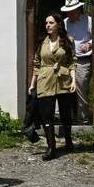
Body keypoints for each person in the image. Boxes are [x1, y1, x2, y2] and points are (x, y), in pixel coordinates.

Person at [28, 10, 78, 160]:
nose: (48, 26)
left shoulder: (68, 40)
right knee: (47, 114)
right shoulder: (41, 43)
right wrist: (32, 84)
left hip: (63, 80)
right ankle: (51, 147)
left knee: (65, 113)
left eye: (51, 23)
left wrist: (74, 80)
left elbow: (72, 62)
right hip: (45, 80)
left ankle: (68, 140)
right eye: (46, 23)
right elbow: (37, 64)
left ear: (58, 25)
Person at [61, 0, 94, 124]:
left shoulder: (89, 20)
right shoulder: (64, 23)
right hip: (67, 60)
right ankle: (64, 118)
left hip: (83, 60)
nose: (69, 13)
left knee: (81, 89)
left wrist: (89, 43)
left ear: (78, 10)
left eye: (72, 10)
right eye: (68, 11)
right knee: (63, 88)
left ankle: (83, 120)